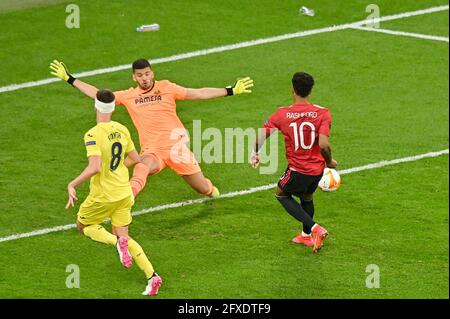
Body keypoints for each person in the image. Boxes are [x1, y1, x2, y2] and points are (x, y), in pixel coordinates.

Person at [50, 59, 253, 199]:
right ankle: (126, 199)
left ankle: (209, 190)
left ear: (152, 73)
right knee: (142, 164)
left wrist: (230, 90)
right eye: (140, 75)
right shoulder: (128, 96)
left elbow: (198, 93)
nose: (145, 78)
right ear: (134, 77)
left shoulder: (167, 87)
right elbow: (99, 94)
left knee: (202, 188)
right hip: (152, 151)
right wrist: (70, 79)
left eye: (147, 74)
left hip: (177, 149)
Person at [65, 89, 162, 296]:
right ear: (112, 107)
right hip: (124, 193)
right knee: (125, 234)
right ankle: (152, 276)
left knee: (84, 225)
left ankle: (117, 243)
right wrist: (117, 168)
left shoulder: (92, 134)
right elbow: (136, 158)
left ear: (96, 106)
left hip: (104, 196)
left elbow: (95, 167)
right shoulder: (122, 128)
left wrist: (72, 184)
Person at [251, 72, 337, 253]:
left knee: (281, 194)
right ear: (310, 90)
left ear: (293, 89)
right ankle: (306, 236)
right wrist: (329, 162)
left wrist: (255, 152)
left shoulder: (282, 114)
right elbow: (323, 144)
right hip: (317, 171)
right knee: (307, 197)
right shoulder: (323, 113)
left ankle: (315, 229)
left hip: (298, 169)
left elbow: (262, 133)